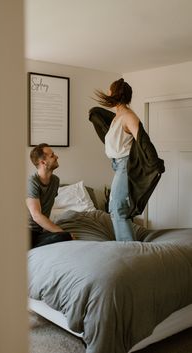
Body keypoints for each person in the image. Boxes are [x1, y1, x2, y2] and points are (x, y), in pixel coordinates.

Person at [89, 78, 165, 242]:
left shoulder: (129, 116)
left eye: (110, 92)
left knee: (117, 208)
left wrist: (154, 162)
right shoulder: (117, 117)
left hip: (125, 165)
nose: (108, 95)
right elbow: (101, 117)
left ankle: (128, 250)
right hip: (117, 165)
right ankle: (127, 245)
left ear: (114, 94)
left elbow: (142, 138)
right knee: (119, 207)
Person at [26, 143, 73, 248]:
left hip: (39, 232)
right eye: (52, 156)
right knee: (64, 236)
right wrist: (61, 232)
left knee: (64, 238)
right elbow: (36, 216)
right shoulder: (32, 182)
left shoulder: (55, 181)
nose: (57, 157)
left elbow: (47, 207)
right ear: (43, 162)